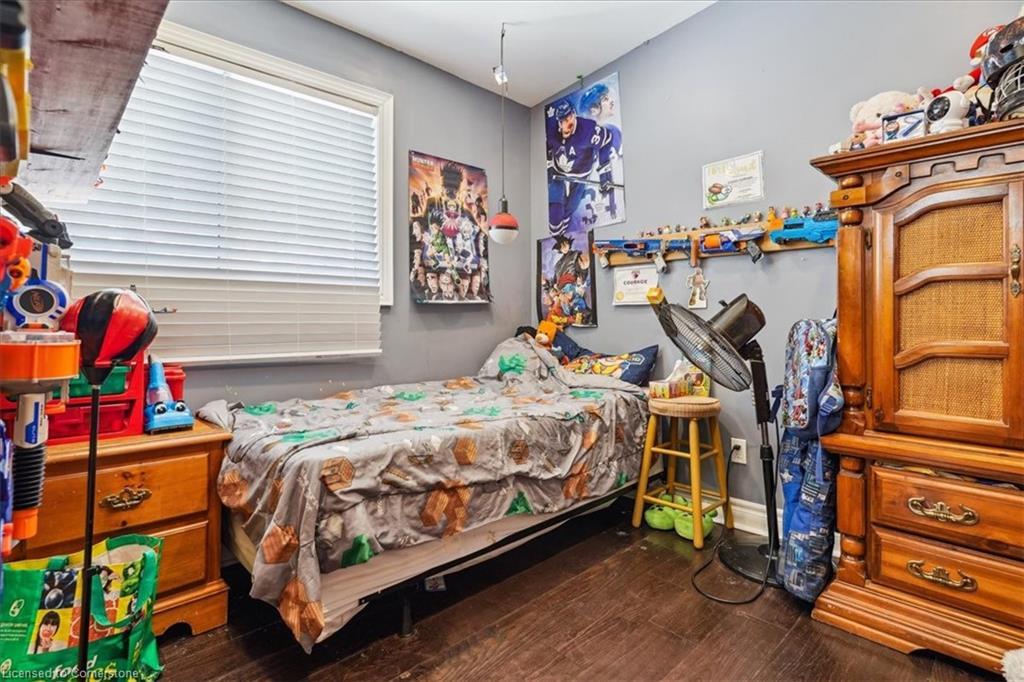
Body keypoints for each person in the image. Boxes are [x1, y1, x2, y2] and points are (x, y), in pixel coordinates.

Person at [546, 100, 623, 234]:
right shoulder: (551, 129)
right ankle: (558, 235)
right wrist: (548, 167)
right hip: (558, 173)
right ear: (558, 121)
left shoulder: (587, 130)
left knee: (568, 211)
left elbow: (607, 139)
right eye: (564, 119)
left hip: (580, 174)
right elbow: (547, 147)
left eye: (570, 116)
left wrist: (605, 174)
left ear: (574, 114)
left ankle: (565, 231)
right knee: (554, 215)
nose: (568, 122)